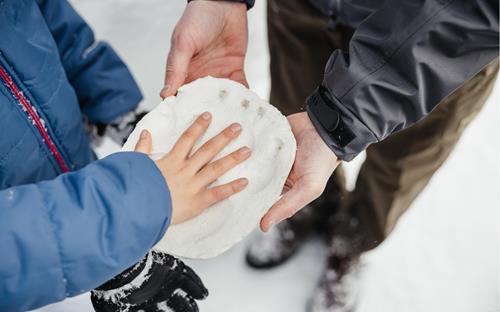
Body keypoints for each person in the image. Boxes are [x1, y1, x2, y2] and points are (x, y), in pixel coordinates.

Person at [165, 0, 499, 311]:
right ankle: (305, 211)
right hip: (305, 10)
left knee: (399, 166)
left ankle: (352, 241)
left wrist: (341, 116)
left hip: (441, 49)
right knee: (291, 131)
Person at [0, 1, 252, 311]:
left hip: (80, 188)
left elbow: (46, 22)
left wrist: (113, 104)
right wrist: (119, 222)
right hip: (57, 245)